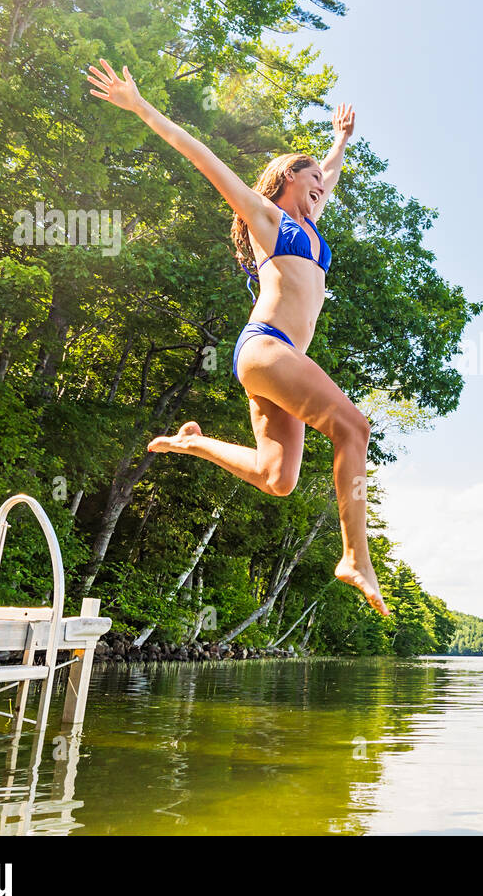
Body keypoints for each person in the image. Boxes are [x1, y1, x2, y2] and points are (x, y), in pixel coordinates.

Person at [86, 59, 388, 616]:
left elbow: (329, 172)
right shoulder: (266, 216)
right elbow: (201, 155)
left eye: (324, 181)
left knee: (279, 480)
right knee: (354, 428)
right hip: (267, 346)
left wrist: (340, 142)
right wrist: (139, 105)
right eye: (311, 177)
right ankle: (354, 556)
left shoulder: (312, 226)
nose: (322, 184)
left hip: (279, 361)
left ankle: (191, 442)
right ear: (285, 180)